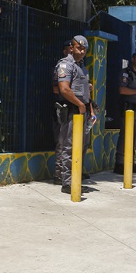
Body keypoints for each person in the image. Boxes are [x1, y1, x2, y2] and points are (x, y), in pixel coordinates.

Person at [54, 35, 94, 193]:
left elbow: (84, 92)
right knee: (69, 147)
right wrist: (79, 104)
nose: (82, 51)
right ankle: (67, 183)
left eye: (84, 48)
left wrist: (89, 108)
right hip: (71, 111)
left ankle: (76, 179)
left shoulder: (82, 66)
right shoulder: (65, 65)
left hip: (82, 112)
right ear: (71, 48)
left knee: (81, 146)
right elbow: (63, 89)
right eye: (79, 47)